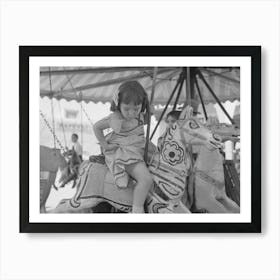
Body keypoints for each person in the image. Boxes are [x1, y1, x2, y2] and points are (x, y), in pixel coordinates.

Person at [93, 80, 154, 213]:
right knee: (146, 179)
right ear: (118, 104)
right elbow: (96, 127)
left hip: (139, 146)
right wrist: (105, 146)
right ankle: (137, 209)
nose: (131, 113)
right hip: (126, 152)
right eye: (126, 108)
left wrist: (151, 109)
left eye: (136, 108)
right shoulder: (116, 118)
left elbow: (151, 116)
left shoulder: (141, 117)